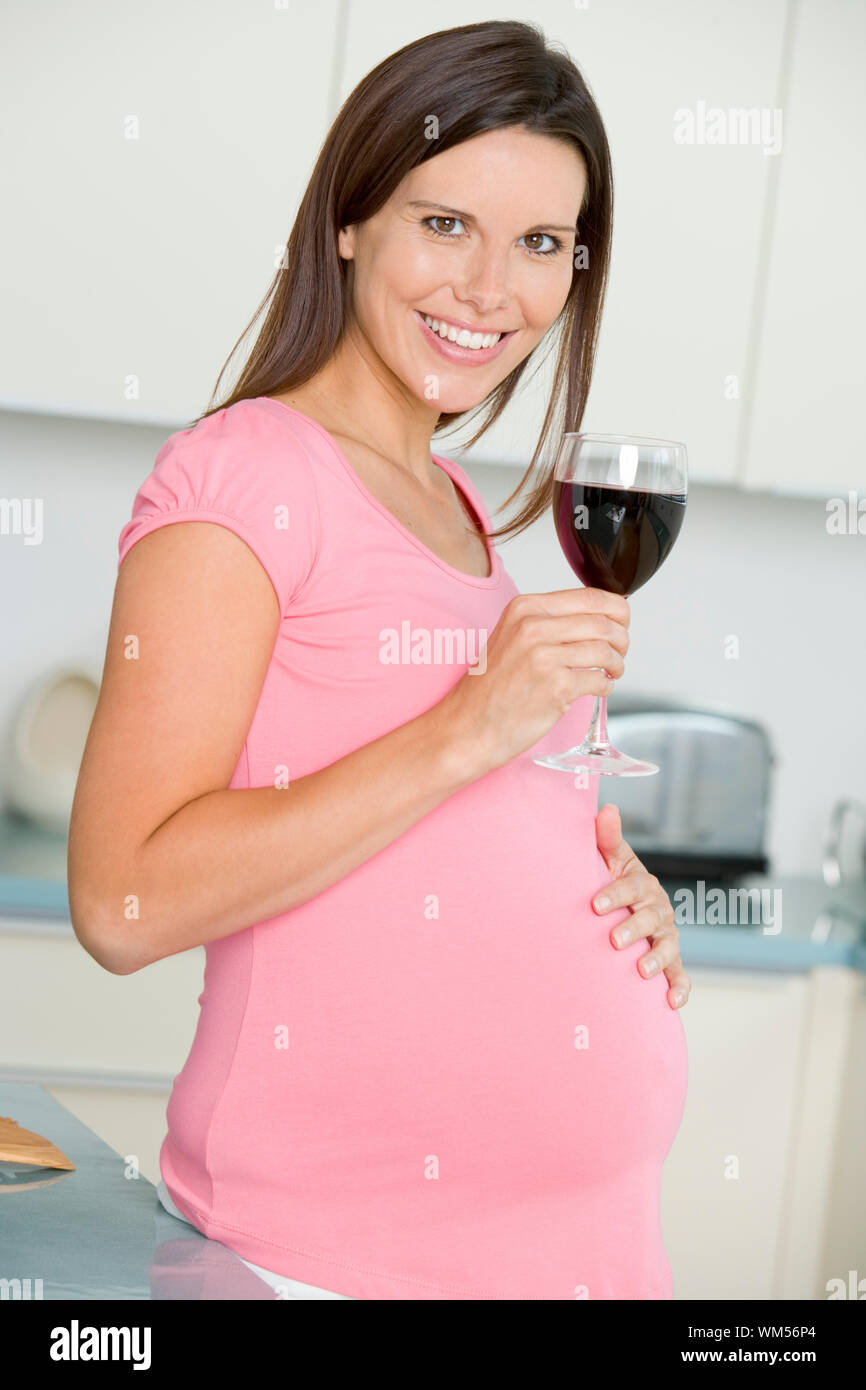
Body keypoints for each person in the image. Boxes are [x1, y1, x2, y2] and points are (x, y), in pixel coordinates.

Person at [69, 19, 691, 1300]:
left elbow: (447, 842)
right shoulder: (241, 477)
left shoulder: (457, 505)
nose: (489, 289)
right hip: (332, 1272)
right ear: (350, 219)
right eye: (444, 223)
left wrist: (615, 894)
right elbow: (120, 906)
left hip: (579, 1262)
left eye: (539, 245)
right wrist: (470, 726)